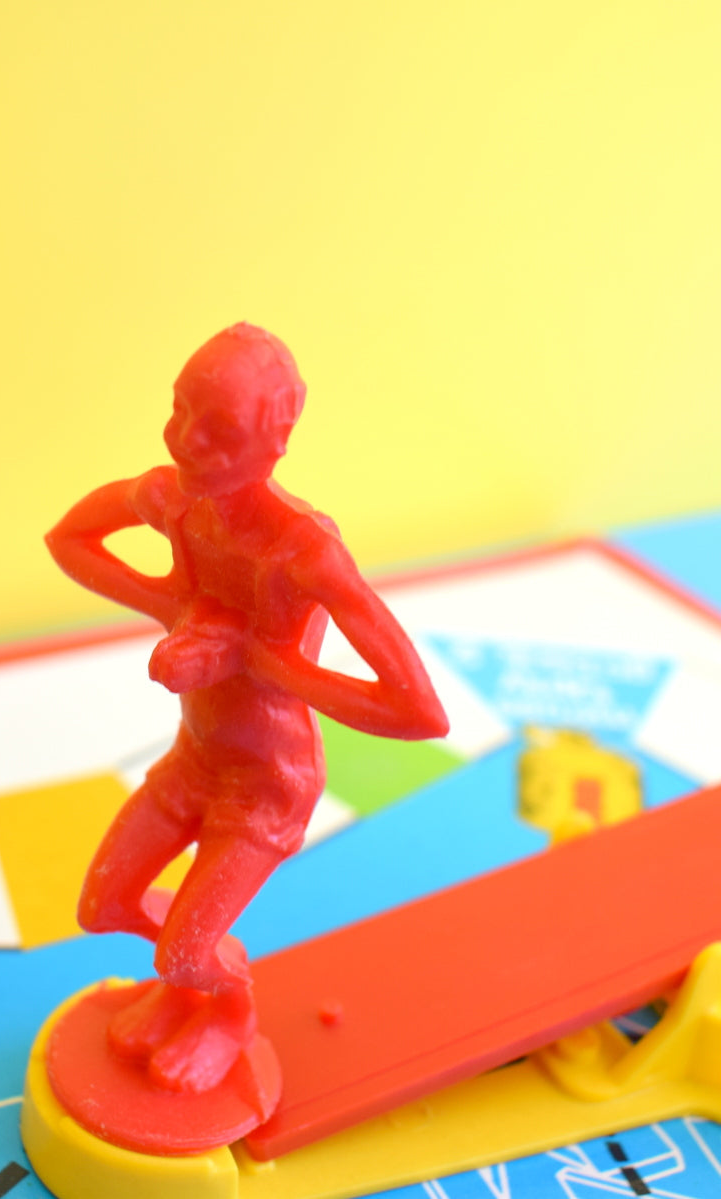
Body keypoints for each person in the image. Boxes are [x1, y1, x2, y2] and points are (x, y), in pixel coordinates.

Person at [46, 322, 449, 1094]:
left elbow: (419, 711)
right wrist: (168, 602)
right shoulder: (174, 500)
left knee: (186, 947)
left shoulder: (303, 551)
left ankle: (224, 1003)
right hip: (194, 760)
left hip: (268, 785)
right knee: (103, 903)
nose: (185, 440)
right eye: (179, 409)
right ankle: (185, 976)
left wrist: (269, 663)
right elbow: (69, 538)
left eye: (220, 430)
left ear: (276, 441)